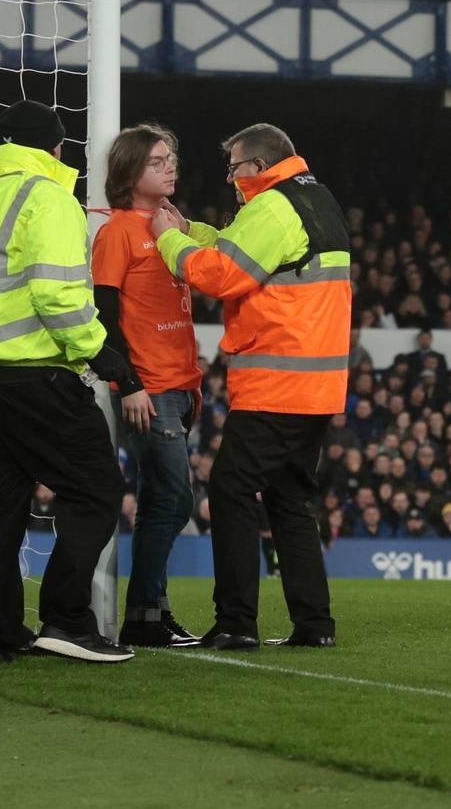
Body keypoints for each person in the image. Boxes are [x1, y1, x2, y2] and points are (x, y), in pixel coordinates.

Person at [0, 99, 140, 667]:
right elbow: (57, 293)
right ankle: (68, 621)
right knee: (97, 488)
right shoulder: (46, 196)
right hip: (34, 371)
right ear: (55, 147)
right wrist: (101, 354)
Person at [151, 123, 351, 651]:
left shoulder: (271, 207)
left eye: (235, 167)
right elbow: (249, 255)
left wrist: (167, 238)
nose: (231, 177)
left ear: (258, 168)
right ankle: (315, 625)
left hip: (277, 381)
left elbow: (222, 276)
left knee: (232, 489)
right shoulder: (315, 198)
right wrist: (193, 229)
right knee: (289, 500)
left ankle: (237, 622)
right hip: (316, 385)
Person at [94, 123, 215, 648]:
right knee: (174, 497)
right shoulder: (119, 231)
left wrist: (192, 385)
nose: (170, 167)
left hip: (178, 384)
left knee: (159, 501)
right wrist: (131, 383)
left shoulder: (170, 225)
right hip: (148, 387)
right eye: (156, 161)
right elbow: (104, 314)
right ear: (128, 173)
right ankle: (144, 612)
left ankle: (150, 611)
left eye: (171, 158)